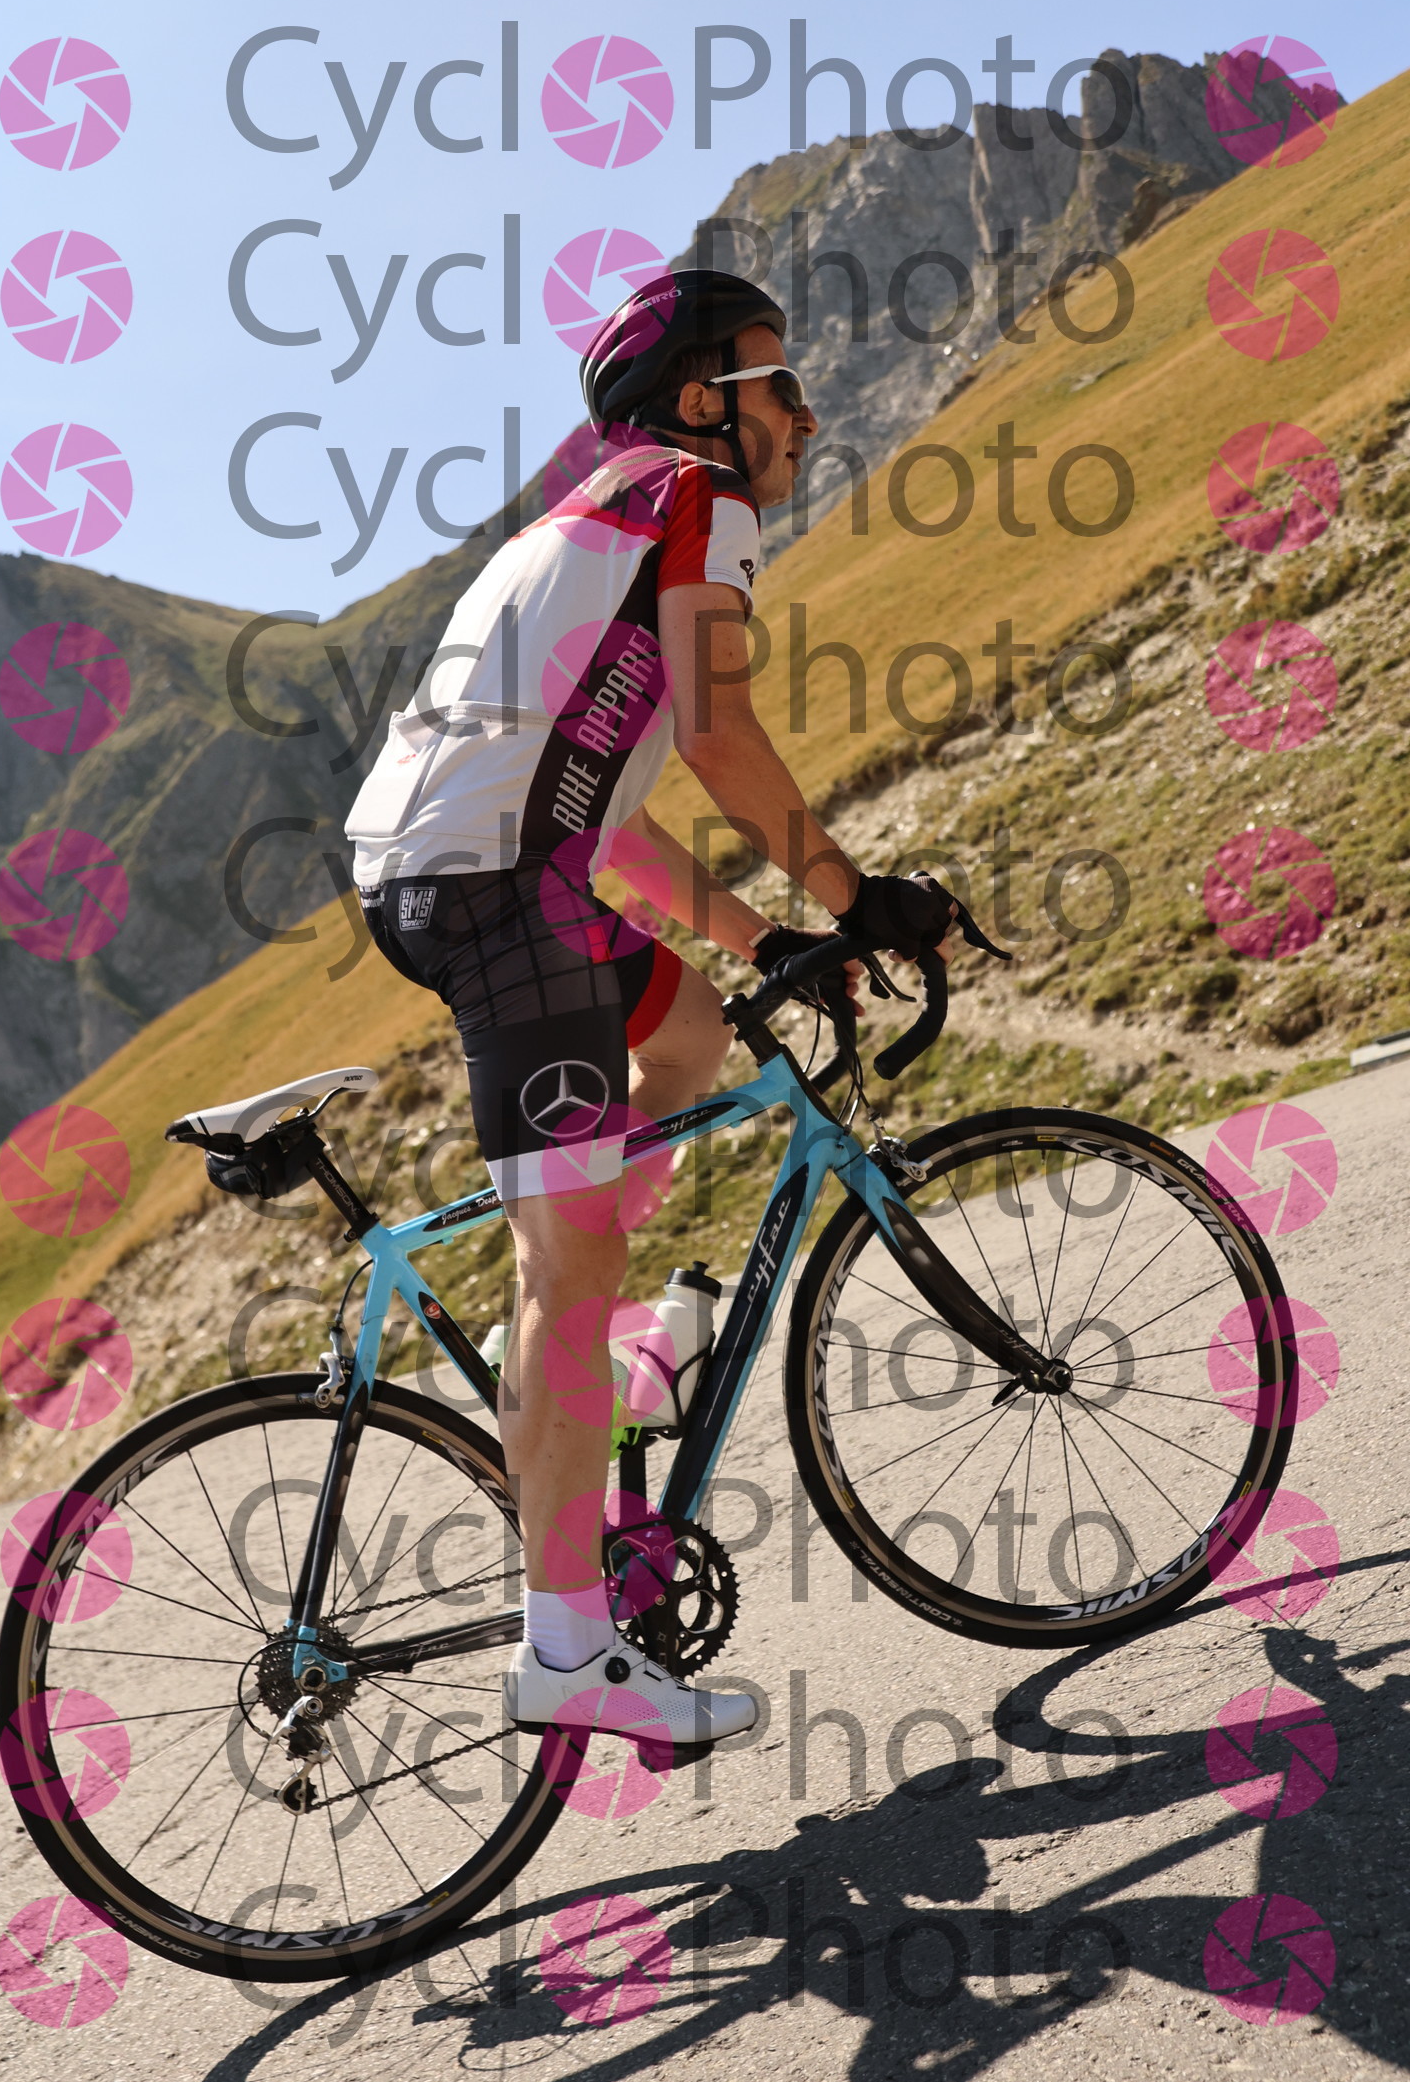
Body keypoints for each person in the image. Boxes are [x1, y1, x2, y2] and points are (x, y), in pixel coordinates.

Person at [346, 269, 957, 1750]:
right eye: (781, 383)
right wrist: (857, 892)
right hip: (499, 897)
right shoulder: (694, 492)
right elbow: (718, 728)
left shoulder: (582, 523)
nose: (808, 416)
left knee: (687, 1037)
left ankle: (602, 1352)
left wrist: (763, 934)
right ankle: (567, 1643)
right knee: (568, 1264)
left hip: (492, 878)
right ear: (702, 402)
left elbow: (603, 818)